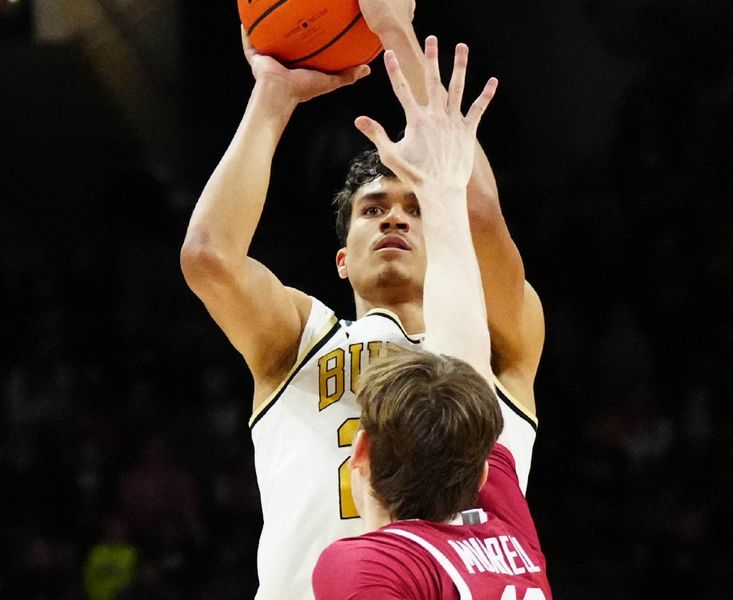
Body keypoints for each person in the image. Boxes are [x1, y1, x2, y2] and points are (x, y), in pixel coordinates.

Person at [180, 2, 544, 597]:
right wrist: (272, 95)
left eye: (415, 209)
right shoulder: (302, 339)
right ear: (342, 259)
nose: (394, 219)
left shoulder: (501, 342)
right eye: (373, 210)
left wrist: (394, 30)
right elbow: (208, 258)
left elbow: (476, 211)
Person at [313, 37, 552, 598]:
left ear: (362, 454)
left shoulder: (369, 567)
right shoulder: (508, 531)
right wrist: (441, 190)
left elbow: (465, 380)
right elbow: (464, 376)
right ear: (486, 472)